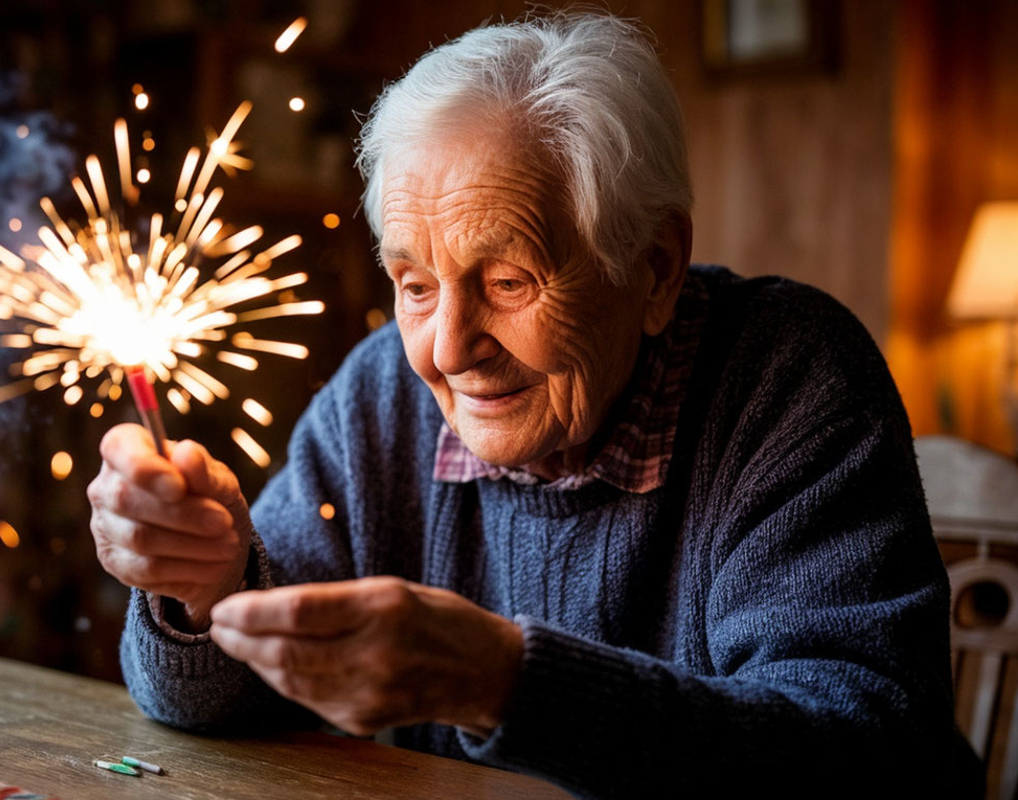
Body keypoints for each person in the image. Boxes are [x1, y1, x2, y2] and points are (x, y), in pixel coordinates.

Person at [88, 12, 965, 798]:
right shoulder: (383, 394)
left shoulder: (788, 378)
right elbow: (214, 704)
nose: (448, 347)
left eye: (508, 281)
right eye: (416, 284)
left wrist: (506, 684)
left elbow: (871, 758)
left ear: (653, 269)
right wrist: (202, 592)